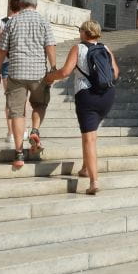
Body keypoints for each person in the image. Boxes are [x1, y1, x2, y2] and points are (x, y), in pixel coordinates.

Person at [44, 20, 119, 195]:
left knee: (89, 138)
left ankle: (94, 181)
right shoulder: (106, 48)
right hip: (107, 96)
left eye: (80, 30)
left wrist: (49, 77)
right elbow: (115, 72)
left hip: (87, 96)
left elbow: (65, 72)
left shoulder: (78, 48)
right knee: (90, 134)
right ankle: (86, 167)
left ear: (84, 33)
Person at [0, 0, 57, 169]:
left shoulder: (12, 22)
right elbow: (50, 45)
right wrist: (52, 68)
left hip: (16, 72)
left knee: (17, 113)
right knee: (39, 104)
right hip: (38, 73)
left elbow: (1, 50)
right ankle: (35, 130)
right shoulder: (44, 22)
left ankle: (19, 153)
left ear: (20, 4)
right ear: (36, 5)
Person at [0, 0, 25, 146]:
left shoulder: (3, 22)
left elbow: (0, 45)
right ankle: (23, 129)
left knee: (9, 99)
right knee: (23, 98)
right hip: (22, 63)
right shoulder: (26, 21)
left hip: (7, 63)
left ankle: (10, 132)